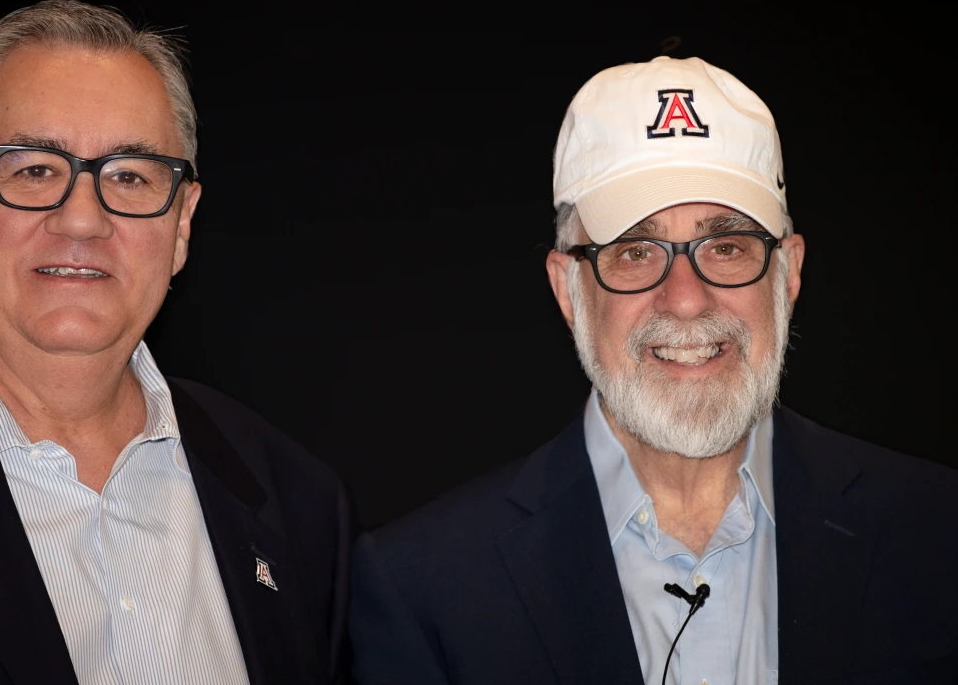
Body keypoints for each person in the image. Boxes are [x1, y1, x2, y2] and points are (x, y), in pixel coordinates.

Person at [348, 56, 958, 684]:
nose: (687, 299)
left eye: (726, 246)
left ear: (788, 271)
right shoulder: (424, 589)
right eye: (636, 252)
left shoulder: (939, 535)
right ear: (567, 289)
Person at [0, 0, 353, 685]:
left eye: (130, 176)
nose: (82, 217)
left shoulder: (298, 503)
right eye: (34, 168)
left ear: (182, 223)